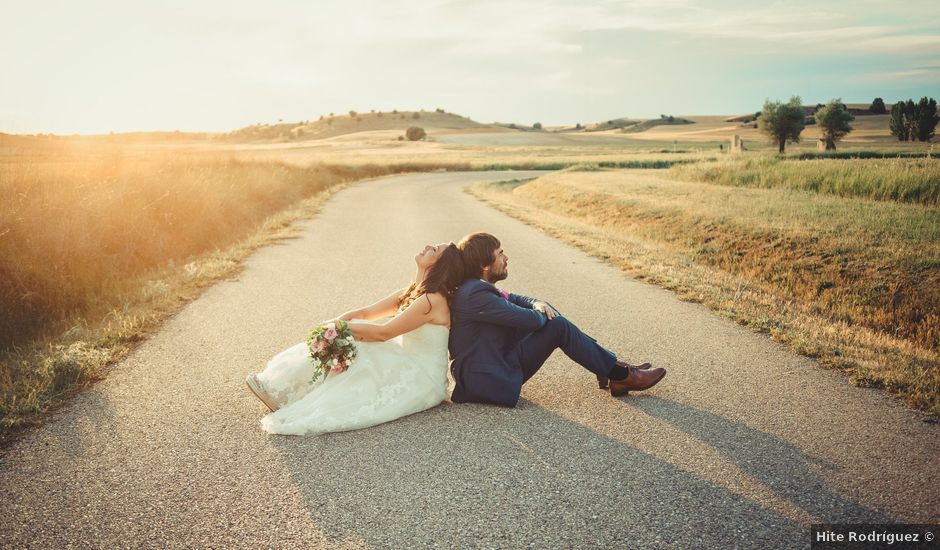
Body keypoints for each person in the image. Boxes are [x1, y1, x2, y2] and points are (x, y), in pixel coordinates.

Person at [245, 242, 462, 435]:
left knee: (362, 344)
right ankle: (281, 390)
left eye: (434, 249)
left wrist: (341, 328)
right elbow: (366, 313)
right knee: (354, 333)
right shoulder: (413, 291)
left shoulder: (432, 300)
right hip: (403, 357)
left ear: (439, 266)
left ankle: (281, 393)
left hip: (422, 376)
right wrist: (332, 325)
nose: (427, 246)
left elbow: (384, 333)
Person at [448, 232, 666, 407]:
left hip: (495, 363)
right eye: (500, 254)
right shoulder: (476, 295)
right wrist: (541, 312)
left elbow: (516, 298)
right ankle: (617, 373)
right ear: (485, 266)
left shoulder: (476, 288)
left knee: (553, 321)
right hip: (488, 379)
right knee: (557, 326)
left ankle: (611, 368)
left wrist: (538, 304)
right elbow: (533, 321)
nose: (506, 258)